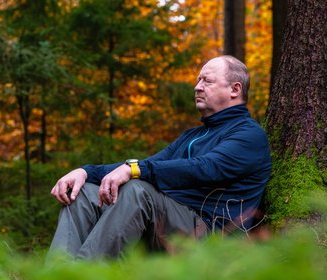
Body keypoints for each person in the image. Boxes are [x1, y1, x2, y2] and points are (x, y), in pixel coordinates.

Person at [48, 55, 271, 259]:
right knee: (84, 192)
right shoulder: (193, 136)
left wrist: (134, 169)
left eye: (207, 81)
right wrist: (85, 171)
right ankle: (59, 272)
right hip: (172, 224)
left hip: (211, 236)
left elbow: (205, 168)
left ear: (235, 89)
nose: (197, 87)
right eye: (198, 80)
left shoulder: (249, 135)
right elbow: (153, 164)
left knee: (137, 191)